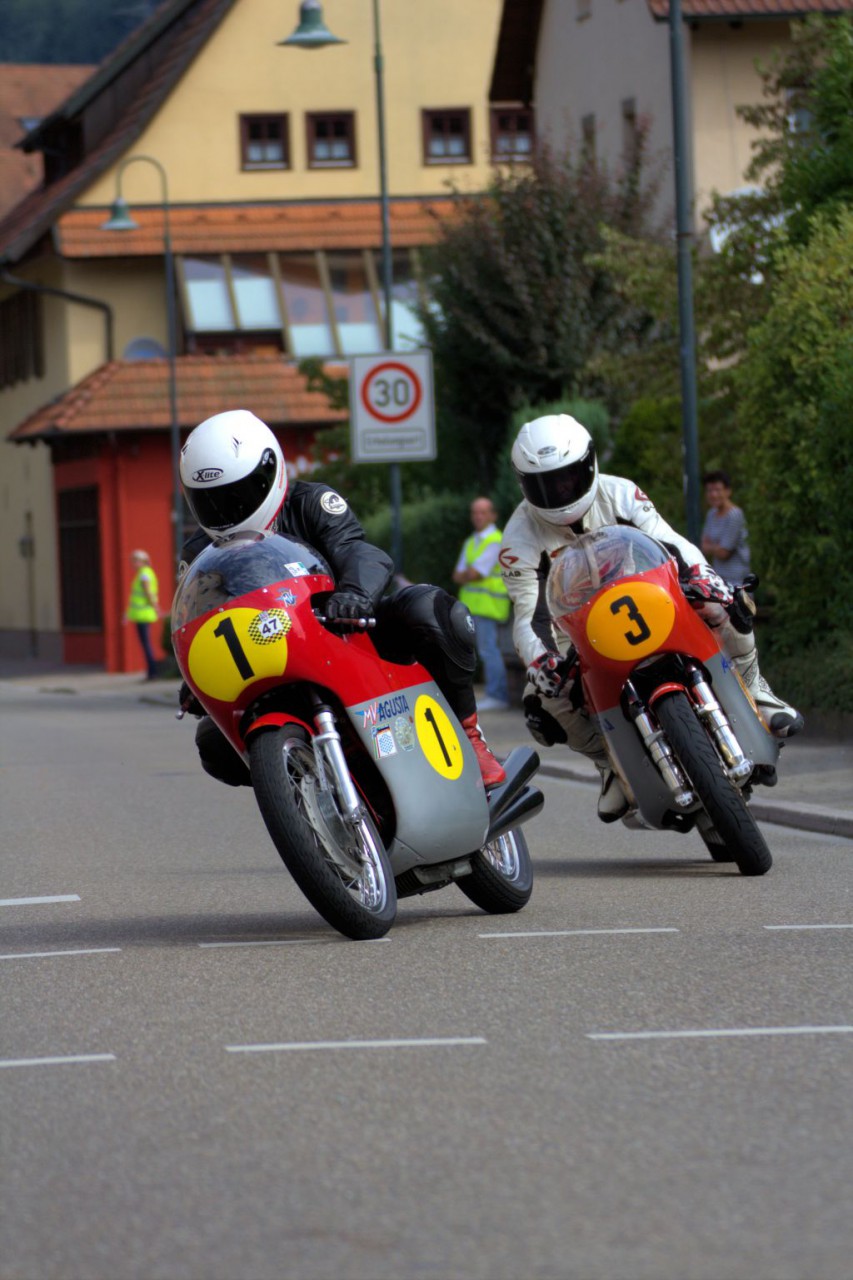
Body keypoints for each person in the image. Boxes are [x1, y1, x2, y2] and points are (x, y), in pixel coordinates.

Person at [177, 409, 506, 789]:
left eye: (237, 495)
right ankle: (303, 794)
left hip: (345, 634)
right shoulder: (199, 554)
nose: (225, 510)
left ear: (270, 471)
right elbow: (199, 617)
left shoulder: (311, 502)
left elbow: (355, 550)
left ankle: (468, 737)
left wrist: (353, 595)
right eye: (211, 500)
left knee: (428, 609)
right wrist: (196, 675)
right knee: (212, 743)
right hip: (271, 662)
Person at [500, 413, 803, 823]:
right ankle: (610, 765)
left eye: (569, 478)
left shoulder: (621, 493)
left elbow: (672, 542)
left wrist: (705, 579)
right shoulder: (518, 537)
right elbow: (528, 615)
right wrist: (543, 662)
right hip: (576, 635)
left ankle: (758, 694)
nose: (560, 491)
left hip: (652, 598)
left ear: (588, 465)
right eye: (547, 484)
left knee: (723, 607)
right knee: (542, 701)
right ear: (524, 484)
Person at [452, 496, 512, 711]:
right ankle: (494, 694)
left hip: (489, 606)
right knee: (483, 651)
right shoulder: (472, 541)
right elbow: (457, 575)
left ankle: (498, 696)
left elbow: (476, 573)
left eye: (483, 512)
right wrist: (469, 573)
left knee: (489, 651)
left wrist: (469, 573)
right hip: (472, 606)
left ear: (493, 515)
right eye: (475, 512)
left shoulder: (495, 539)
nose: (477, 516)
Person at [700, 469, 751, 586]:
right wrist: (716, 546)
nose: (713, 495)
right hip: (719, 580)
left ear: (728, 491)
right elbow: (704, 546)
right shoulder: (711, 514)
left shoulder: (734, 515)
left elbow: (724, 553)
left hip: (738, 582)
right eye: (709, 491)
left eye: (718, 490)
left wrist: (714, 547)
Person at [124, 549, 160, 680]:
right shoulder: (144, 573)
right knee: (146, 644)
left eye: (134, 561)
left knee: (146, 645)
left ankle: (153, 672)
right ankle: (152, 672)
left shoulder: (144, 574)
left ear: (142, 561)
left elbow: (148, 592)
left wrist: (156, 607)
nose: (132, 564)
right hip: (142, 614)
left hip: (143, 614)